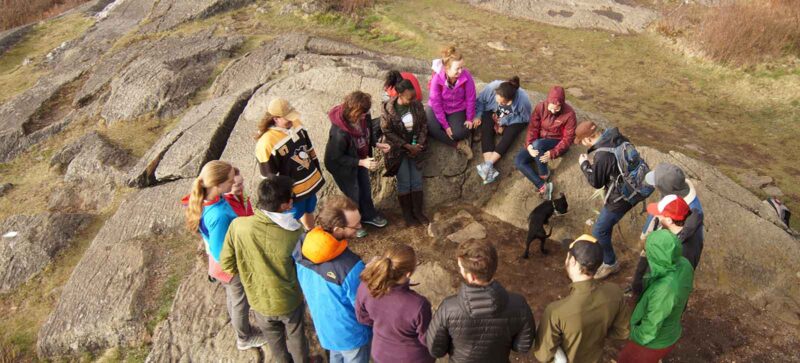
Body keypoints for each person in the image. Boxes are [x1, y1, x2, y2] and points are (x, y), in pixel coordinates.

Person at [219, 176, 309, 362]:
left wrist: (248, 272)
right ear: (285, 205)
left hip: (258, 300)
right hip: (288, 300)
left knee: (275, 343)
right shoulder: (295, 233)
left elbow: (226, 263)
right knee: (297, 338)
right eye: (290, 198)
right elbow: (305, 269)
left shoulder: (238, 226)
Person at [184, 160, 265, 350]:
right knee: (240, 302)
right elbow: (222, 253)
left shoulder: (208, 199)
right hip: (229, 267)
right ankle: (244, 338)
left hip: (221, 263)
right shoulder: (218, 215)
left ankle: (240, 328)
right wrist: (241, 269)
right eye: (229, 180)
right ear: (217, 184)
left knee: (233, 298)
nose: (233, 182)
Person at [427, 239, 535, 363]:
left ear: (471, 276)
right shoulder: (519, 304)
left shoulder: (448, 308)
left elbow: (436, 350)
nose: (460, 270)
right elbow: (522, 346)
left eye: (460, 267)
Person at [293, 196, 372, 363]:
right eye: (355, 225)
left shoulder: (303, 244)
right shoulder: (349, 266)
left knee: (336, 357)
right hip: (351, 334)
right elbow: (363, 307)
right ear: (337, 229)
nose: (360, 227)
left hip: (325, 326)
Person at [534, 234, 629, 363]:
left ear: (572, 261)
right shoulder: (615, 292)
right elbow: (623, 331)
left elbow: (544, 355)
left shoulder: (556, 312)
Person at [618, 216, 694, 363]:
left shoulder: (665, 290)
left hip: (654, 342)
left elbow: (650, 329)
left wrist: (633, 334)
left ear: (658, 257)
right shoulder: (683, 263)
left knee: (625, 359)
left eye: (649, 253)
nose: (646, 256)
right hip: (670, 329)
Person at [632, 163, 704, 297]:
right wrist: (646, 235)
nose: (653, 186)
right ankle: (638, 290)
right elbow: (656, 214)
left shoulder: (691, 215)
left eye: (657, 184)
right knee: (643, 269)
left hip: (670, 254)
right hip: (658, 238)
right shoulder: (674, 192)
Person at [325, 91, 391, 238]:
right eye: (362, 113)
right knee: (353, 194)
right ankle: (354, 223)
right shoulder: (339, 133)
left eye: (366, 112)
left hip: (360, 160)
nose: (365, 116)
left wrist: (377, 144)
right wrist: (361, 162)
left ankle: (369, 215)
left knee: (365, 189)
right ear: (354, 112)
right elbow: (336, 157)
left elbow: (368, 133)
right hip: (342, 167)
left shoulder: (364, 116)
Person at [255, 98, 325, 231]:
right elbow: (270, 179)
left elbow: (309, 148)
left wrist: (317, 171)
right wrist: (284, 198)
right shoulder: (266, 143)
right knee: (291, 220)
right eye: (287, 118)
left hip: (309, 183)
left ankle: (310, 231)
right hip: (292, 193)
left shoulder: (296, 123)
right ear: (275, 118)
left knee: (309, 209)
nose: (292, 121)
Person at [575, 121, 634, 279]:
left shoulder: (602, 155)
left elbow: (596, 181)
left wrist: (584, 164)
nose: (582, 144)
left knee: (599, 230)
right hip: (635, 184)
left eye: (581, 141)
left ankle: (610, 263)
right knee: (602, 228)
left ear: (588, 139)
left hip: (622, 196)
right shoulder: (617, 137)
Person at [355, 245, 434, 363]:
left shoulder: (366, 286)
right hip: (412, 358)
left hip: (380, 353)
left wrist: (383, 324)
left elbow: (363, 318)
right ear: (408, 274)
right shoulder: (418, 305)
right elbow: (427, 339)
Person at [380, 79, 429, 226]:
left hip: (415, 149)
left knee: (416, 181)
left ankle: (418, 212)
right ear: (400, 95)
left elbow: (423, 125)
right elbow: (386, 130)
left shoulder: (416, 105)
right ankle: (408, 215)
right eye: (409, 98)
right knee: (404, 182)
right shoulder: (388, 109)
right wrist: (406, 146)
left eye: (414, 97)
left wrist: (418, 145)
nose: (413, 100)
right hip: (398, 151)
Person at [515, 86, 577, 199]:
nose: (553, 111)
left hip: (557, 141)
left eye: (557, 109)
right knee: (519, 161)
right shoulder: (540, 107)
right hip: (539, 142)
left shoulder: (569, 114)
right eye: (551, 108)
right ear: (548, 101)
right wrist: (529, 145)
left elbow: (568, 138)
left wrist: (553, 153)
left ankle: (544, 174)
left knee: (538, 145)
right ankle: (542, 185)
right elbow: (533, 128)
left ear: (562, 105)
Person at [473, 76, 533, 184]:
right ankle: (488, 167)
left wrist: (504, 122)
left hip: (513, 120)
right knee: (486, 128)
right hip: (492, 113)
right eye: (498, 101)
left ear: (511, 100)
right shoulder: (492, 87)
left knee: (510, 134)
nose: (500, 105)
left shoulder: (523, 100)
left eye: (503, 103)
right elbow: (480, 101)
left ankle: (488, 165)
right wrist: (478, 115)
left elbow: (525, 118)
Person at [426, 45, 476, 159]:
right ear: (447, 68)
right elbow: (436, 103)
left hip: (456, 108)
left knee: (460, 133)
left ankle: (453, 132)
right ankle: (458, 145)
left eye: (462, 67)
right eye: (457, 68)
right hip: (438, 108)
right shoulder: (437, 79)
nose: (461, 71)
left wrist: (469, 118)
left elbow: (470, 98)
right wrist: (445, 125)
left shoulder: (466, 76)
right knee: (430, 127)